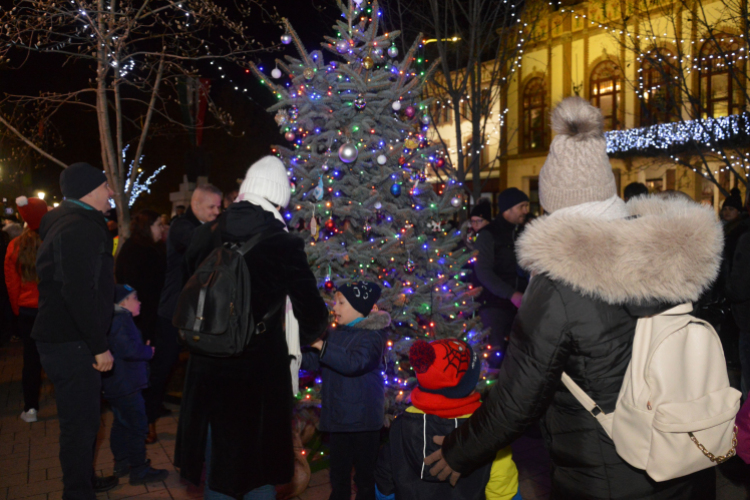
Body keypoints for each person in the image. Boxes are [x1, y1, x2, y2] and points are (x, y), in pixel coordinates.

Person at [425, 97, 722, 499]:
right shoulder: (669, 252)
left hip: (609, 473)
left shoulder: (560, 282)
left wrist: (460, 451)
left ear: (555, 205)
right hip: (686, 455)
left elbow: (518, 399)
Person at [174, 156, 329, 500]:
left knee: (219, 467)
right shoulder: (284, 243)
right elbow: (313, 316)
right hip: (259, 375)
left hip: (207, 366)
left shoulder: (205, 233)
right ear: (279, 198)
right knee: (259, 467)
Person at [33, 162, 120, 499]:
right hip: (73, 343)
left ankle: (82, 479)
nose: (110, 192)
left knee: (83, 422)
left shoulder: (73, 223)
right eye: (105, 186)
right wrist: (98, 345)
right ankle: (77, 491)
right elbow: (77, 292)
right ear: (88, 191)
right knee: (80, 426)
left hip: (70, 339)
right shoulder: (77, 228)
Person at [375, 338, 520, 500]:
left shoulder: (400, 426)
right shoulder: (487, 430)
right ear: (469, 383)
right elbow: (504, 491)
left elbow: (384, 484)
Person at [144, 184, 222, 442]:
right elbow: (201, 248)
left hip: (198, 312)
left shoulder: (207, 225)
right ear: (196, 205)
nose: (216, 212)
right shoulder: (181, 227)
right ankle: (146, 420)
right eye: (212, 207)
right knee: (163, 367)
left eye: (219, 207)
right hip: (174, 311)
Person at [302, 281, 389, 500]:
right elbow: (318, 361)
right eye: (335, 302)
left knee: (364, 477)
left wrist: (321, 346)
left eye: (341, 303)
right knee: (338, 474)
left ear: (360, 307)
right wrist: (296, 356)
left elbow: (354, 362)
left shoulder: (373, 337)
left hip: (363, 421)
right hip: (339, 417)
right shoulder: (336, 334)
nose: (335, 308)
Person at [103, 285, 169, 485]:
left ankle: (122, 463)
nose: (139, 302)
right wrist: (147, 352)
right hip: (126, 385)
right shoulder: (120, 320)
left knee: (121, 424)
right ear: (123, 302)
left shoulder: (115, 320)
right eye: (135, 298)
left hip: (117, 384)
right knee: (138, 426)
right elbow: (127, 349)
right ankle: (139, 469)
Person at [473, 188, 530, 367]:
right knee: (495, 357)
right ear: (507, 209)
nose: (526, 211)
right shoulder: (488, 235)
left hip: (523, 305)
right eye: (522, 206)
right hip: (495, 306)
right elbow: (483, 272)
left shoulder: (525, 232)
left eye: (527, 206)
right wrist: (510, 294)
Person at [5, 196, 47, 422]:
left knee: (31, 360)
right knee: (58, 356)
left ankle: (31, 408)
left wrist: (17, 309)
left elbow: (12, 283)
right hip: (51, 310)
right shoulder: (53, 240)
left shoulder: (15, 244)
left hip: (28, 311)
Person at [115, 210, 167, 343]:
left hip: (151, 312)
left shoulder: (153, 247)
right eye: (158, 225)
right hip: (142, 314)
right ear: (147, 226)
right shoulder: (136, 250)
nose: (162, 228)